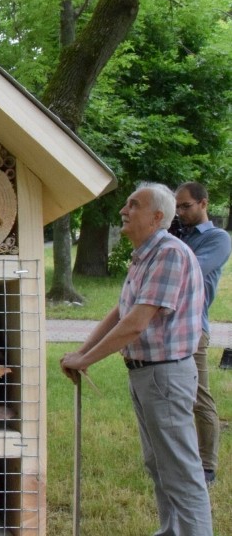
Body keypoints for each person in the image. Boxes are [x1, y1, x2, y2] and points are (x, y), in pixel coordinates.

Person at [61, 182, 212, 536]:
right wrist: (82, 352)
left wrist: (87, 361)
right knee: (160, 466)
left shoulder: (169, 254)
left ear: (157, 217)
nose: (123, 211)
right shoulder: (146, 254)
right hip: (149, 376)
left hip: (166, 376)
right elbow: (120, 312)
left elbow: (136, 324)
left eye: (133, 205)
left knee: (181, 473)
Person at [174, 181, 231, 488]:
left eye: (186, 206)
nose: (180, 212)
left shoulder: (218, 238)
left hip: (194, 327)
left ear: (204, 204)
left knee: (199, 398)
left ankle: (207, 466)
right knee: (174, 398)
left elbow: (187, 273)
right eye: (177, 207)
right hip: (167, 326)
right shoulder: (176, 235)